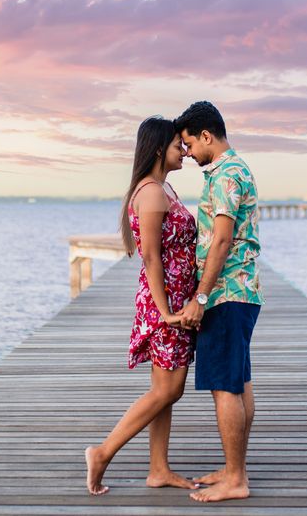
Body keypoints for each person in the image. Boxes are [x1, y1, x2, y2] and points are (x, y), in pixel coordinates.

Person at [85, 116, 199, 495]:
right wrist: (166, 311)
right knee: (169, 390)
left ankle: (158, 469)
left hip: (173, 299)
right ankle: (102, 452)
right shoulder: (151, 192)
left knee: (163, 388)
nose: (182, 151)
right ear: (156, 149)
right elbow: (151, 257)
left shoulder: (163, 189)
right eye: (176, 146)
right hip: (164, 302)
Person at [174, 100, 263, 503]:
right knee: (238, 381)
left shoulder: (227, 174)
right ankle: (233, 469)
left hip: (226, 293)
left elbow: (222, 240)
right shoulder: (235, 169)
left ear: (207, 136)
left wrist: (200, 296)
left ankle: (237, 480)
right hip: (241, 292)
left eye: (190, 144)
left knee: (225, 388)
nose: (188, 153)